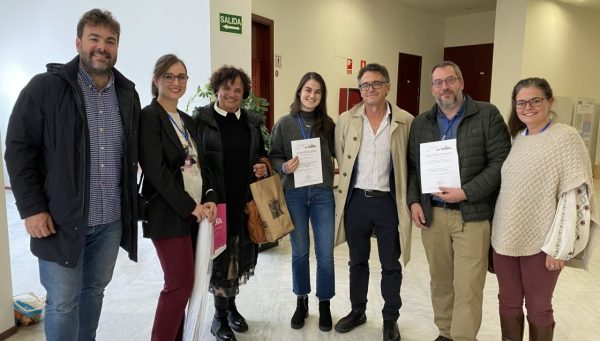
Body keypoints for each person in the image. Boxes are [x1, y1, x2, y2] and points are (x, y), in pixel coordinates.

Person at [4, 9, 140, 341]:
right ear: (78, 42)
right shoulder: (45, 88)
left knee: (94, 292)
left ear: (117, 48)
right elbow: (19, 148)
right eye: (94, 38)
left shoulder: (127, 94)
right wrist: (32, 208)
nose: (102, 47)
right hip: (60, 221)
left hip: (110, 221)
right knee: (63, 303)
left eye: (110, 41)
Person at [406, 61, 511, 341]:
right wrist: (414, 201)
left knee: (468, 286)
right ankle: (445, 332)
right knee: (440, 282)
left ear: (462, 82)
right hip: (434, 216)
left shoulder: (487, 115)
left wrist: (466, 192)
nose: (445, 87)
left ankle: (463, 337)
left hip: (471, 215)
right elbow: (414, 168)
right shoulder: (421, 123)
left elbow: (500, 162)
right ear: (431, 89)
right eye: (438, 82)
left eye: (450, 80)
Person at [491, 77, 599, 341]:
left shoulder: (566, 137)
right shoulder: (517, 138)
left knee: (539, 308)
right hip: (504, 239)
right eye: (521, 102)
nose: (528, 107)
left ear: (550, 101)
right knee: (508, 302)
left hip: (542, 243)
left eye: (535, 100)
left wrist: (559, 248)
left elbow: (574, 197)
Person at [139, 54, 217, 341]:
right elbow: (156, 171)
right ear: (156, 80)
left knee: (188, 283)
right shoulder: (149, 117)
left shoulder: (186, 120)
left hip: (196, 211)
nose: (176, 82)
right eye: (169, 76)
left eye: (181, 77)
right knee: (179, 285)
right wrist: (189, 207)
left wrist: (208, 197)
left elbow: (200, 164)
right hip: (168, 213)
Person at [334, 63, 413, 341]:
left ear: (388, 87)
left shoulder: (405, 120)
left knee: (391, 264)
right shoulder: (347, 120)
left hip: (388, 202)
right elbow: (342, 156)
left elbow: (409, 166)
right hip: (357, 200)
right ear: (360, 89)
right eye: (365, 85)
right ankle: (358, 311)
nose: (371, 89)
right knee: (357, 261)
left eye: (377, 84)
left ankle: (390, 319)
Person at [193, 66, 268, 341]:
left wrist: (262, 166)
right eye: (227, 88)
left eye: (238, 90)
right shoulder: (202, 119)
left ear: (244, 93)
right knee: (222, 259)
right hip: (216, 202)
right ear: (217, 89)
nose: (232, 94)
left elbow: (261, 154)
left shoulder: (251, 121)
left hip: (244, 200)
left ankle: (231, 307)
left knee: (238, 255)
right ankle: (219, 318)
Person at [269, 72, 336, 331]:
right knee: (299, 251)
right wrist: (284, 166)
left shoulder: (328, 124)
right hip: (294, 194)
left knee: (325, 255)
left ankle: (325, 303)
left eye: (317, 92)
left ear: (322, 97)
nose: (312, 96)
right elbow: (274, 156)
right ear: (299, 92)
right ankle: (301, 300)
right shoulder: (284, 124)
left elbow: (339, 154)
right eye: (308, 90)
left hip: (322, 195)